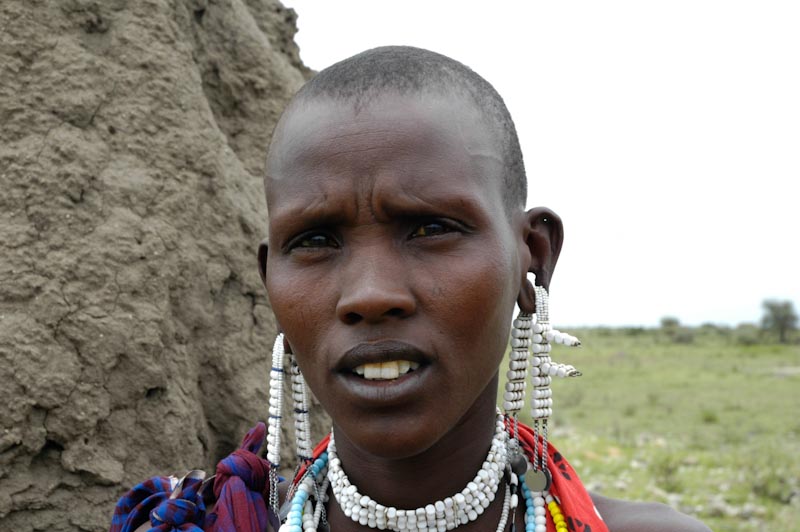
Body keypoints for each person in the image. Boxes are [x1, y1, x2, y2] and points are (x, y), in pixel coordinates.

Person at [111, 46, 710, 532]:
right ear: (271, 279)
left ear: (532, 259)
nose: (370, 295)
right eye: (316, 241)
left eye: (431, 229)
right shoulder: (206, 524)